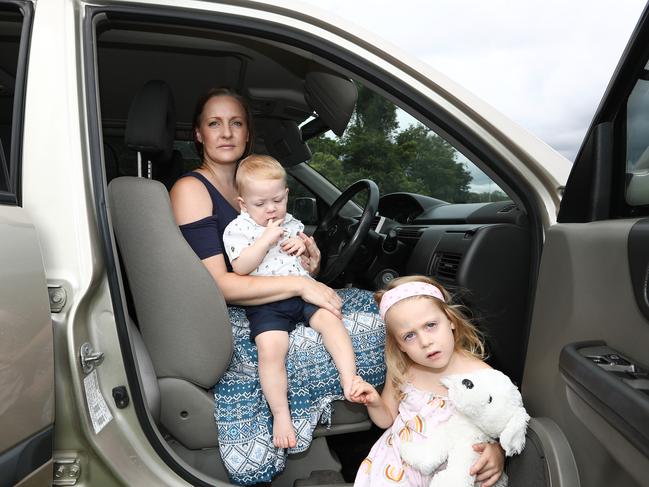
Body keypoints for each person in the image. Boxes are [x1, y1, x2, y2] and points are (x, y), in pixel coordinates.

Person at [222, 153, 360, 449]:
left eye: (277, 201)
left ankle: (350, 379)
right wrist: (264, 241)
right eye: (260, 204)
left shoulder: (291, 221)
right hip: (267, 301)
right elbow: (241, 267)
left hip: (303, 292)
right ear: (243, 204)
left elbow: (303, 255)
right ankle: (281, 413)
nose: (271, 210)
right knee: (271, 350)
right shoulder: (238, 229)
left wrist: (302, 243)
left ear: (286, 195)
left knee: (331, 321)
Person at [349, 275, 505, 487]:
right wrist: (375, 402)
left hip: (453, 474)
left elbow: (501, 423)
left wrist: (498, 451)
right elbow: (386, 419)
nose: (425, 341)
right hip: (398, 468)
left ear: (450, 320)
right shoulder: (403, 371)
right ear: (400, 345)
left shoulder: (480, 374)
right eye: (409, 336)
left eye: (431, 325)